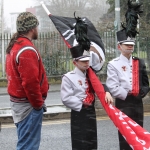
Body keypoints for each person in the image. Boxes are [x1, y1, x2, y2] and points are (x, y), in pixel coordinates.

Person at [60, 16, 113, 150]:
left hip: (91, 113)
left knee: (91, 142)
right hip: (79, 113)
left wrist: (106, 91)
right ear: (75, 62)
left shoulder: (90, 74)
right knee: (80, 144)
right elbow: (66, 98)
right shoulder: (68, 77)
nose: (86, 63)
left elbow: (99, 85)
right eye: (83, 61)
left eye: (87, 60)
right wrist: (82, 103)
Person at [106, 1, 149, 149]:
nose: (130, 47)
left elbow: (145, 83)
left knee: (138, 135)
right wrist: (128, 93)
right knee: (125, 138)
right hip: (123, 104)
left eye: (132, 45)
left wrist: (140, 93)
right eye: (126, 45)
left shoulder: (140, 62)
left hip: (137, 104)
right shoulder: (113, 64)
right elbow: (112, 85)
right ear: (119, 47)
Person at [5, 12, 49, 150]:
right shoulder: (26, 50)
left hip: (19, 105)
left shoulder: (16, 45)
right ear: (32, 29)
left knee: (25, 143)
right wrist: (38, 105)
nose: (38, 29)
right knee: (28, 147)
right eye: (37, 26)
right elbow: (30, 83)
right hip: (28, 106)